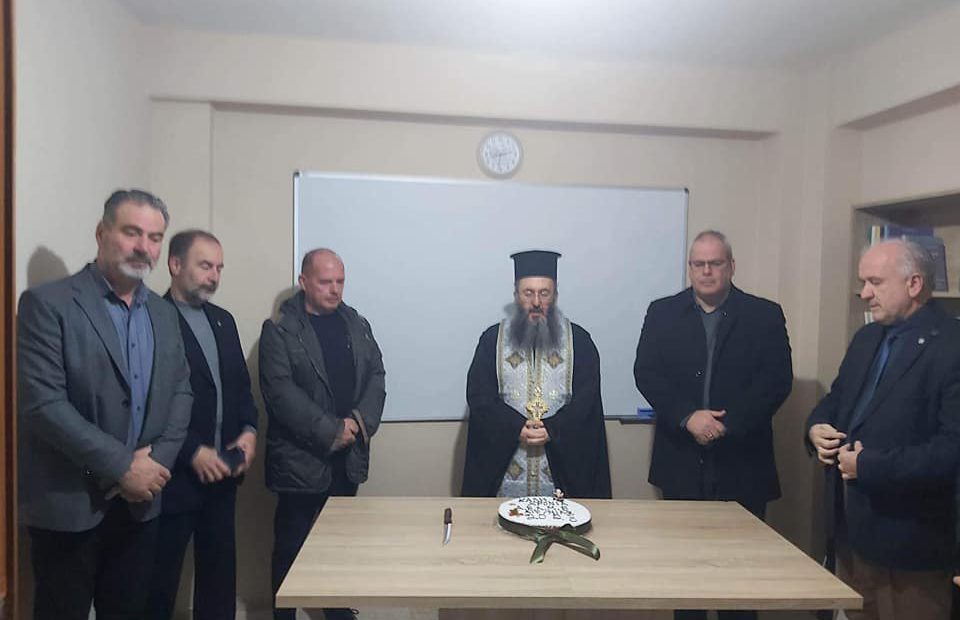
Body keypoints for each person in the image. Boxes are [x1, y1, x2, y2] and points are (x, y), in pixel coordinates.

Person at [17, 189, 193, 620]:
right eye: (132, 232)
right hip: (70, 503)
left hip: (141, 505)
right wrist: (122, 467)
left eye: (154, 237)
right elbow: (44, 405)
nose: (143, 247)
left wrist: (155, 465)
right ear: (101, 233)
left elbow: (181, 393)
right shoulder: (48, 304)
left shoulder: (165, 314)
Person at [634, 230, 792, 620]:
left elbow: (776, 382)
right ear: (689, 268)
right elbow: (646, 373)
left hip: (743, 465)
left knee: (740, 584)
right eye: (698, 264)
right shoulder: (662, 312)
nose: (706, 271)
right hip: (681, 463)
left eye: (715, 263)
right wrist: (688, 416)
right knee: (686, 581)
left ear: (731, 266)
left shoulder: (764, 315)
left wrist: (726, 424)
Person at [807, 238, 960, 620]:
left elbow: (951, 450)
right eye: (863, 282)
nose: (864, 294)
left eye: (875, 282)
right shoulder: (867, 337)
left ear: (914, 284)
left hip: (910, 548)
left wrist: (868, 466)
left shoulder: (951, 345)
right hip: (851, 536)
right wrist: (815, 428)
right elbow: (837, 400)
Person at [259, 248, 385, 620]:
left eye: (340, 281)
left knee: (339, 544)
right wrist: (332, 430)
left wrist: (357, 423)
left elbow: (376, 375)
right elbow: (279, 394)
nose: (335, 289)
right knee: (291, 546)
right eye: (325, 282)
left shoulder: (357, 323)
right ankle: (283, 615)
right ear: (304, 282)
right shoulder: (280, 329)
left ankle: (337, 610)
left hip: (347, 459)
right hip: (299, 460)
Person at [149, 230, 258, 620]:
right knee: (159, 583)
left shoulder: (223, 321)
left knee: (219, 578)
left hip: (224, 473)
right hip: (173, 476)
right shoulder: (152, 319)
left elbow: (241, 388)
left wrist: (249, 431)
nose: (214, 276)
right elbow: (152, 404)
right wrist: (192, 450)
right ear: (175, 265)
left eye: (219, 268)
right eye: (205, 266)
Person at [462, 250, 611, 499]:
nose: (536, 302)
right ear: (516, 295)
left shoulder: (579, 341)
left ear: (555, 295)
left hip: (563, 472)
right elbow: (479, 396)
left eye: (544, 293)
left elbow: (587, 402)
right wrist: (515, 427)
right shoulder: (492, 340)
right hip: (504, 471)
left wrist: (553, 429)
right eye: (528, 293)